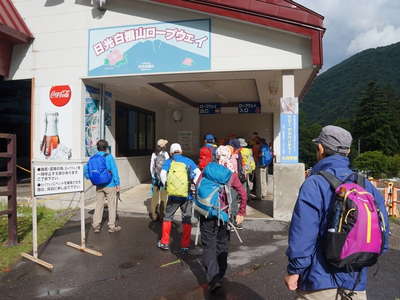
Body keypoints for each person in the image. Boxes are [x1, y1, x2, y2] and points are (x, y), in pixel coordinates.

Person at [284, 125, 389, 300]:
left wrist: (295, 270)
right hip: (355, 282)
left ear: (321, 148)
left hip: (318, 283)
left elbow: (304, 233)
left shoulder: (315, 183)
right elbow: (382, 231)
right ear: (346, 152)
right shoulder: (365, 184)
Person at [197, 158, 247, 292]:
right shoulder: (231, 176)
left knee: (209, 245)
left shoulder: (206, 172)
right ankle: (220, 273)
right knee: (222, 245)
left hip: (206, 214)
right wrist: (241, 212)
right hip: (224, 216)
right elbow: (243, 192)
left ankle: (213, 278)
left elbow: (197, 187)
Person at [158, 143, 201, 252]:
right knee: (186, 218)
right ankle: (185, 245)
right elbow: (198, 174)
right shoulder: (189, 161)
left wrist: (167, 186)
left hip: (173, 195)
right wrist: (194, 187)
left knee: (168, 217)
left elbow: (162, 174)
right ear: (181, 151)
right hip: (187, 195)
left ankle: (164, 242)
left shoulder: (169, 161)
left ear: (171, 152)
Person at [84, 139, 121, 233]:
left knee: (99, 205)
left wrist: (91, 178)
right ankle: (112, 226)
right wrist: (117, 184)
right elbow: (114, 170)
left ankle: (96, 225)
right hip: (110, 184)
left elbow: (85, 169)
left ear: (97, 147)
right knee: (111, 205)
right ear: (106, 147)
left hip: (99, 185)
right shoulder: (109, 157)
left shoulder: (93, 157)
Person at [217, 144, 245, 230]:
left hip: (214, 208)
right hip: (232, 186)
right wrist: (241, 212)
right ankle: (233, 222)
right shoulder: (232, 165)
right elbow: (243, 193)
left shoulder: (212, 167)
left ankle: (230, 222)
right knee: (232, 203)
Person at [149, 139, 169, 221]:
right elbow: (168, 167)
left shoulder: (154, 154)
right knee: (164, 197)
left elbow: (151, 167)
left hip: (155, 179)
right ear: (163, 146)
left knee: (155, 197)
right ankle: (162, 215)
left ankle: (154, 215)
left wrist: (154, 177)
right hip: (163, 179)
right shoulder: (166, 154)